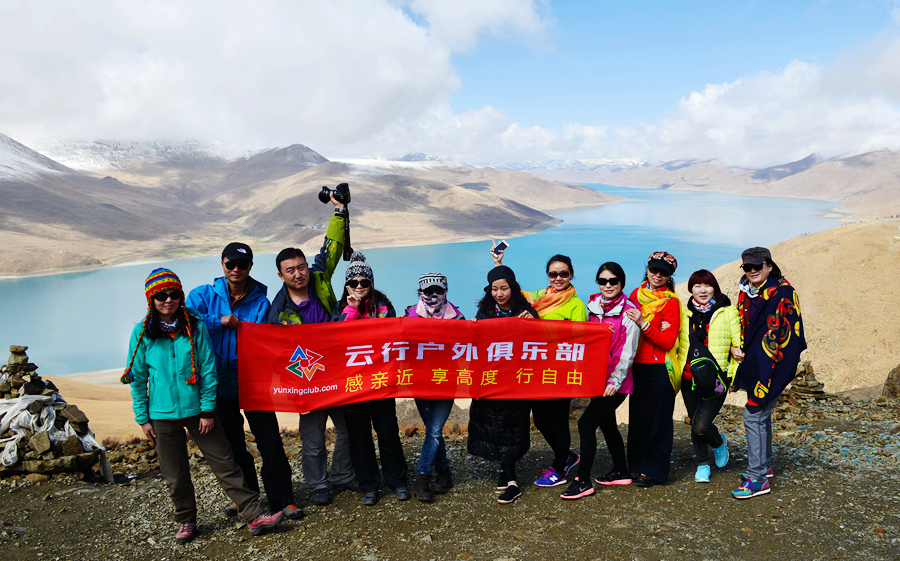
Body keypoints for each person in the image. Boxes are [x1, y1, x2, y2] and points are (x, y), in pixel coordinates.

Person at [123, 268, 284, 542]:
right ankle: (186, 521)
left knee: (225, 464)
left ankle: (254, 515)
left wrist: (208, 410)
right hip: (161, 416)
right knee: (175, 473)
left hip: (199, 411)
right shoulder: (142, 333)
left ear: (181, 296)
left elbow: (208, 370)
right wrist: (143, 417)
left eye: (174, 294)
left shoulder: (194, 326)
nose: (168, 300)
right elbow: (137, 379)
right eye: (161, 296)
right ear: (151, 299)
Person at [186, 243, 301, 519]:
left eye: (242, 264)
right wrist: (219, 321)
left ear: (250, 267)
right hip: (216, 382)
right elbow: (187, 321)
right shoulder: (201, 295)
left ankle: (282, 499)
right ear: (222, 265)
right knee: (234, 444)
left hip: (252, 380)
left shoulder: (261, 302)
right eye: (230, 264)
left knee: (269, 441)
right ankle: (247, 499)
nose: (236, 269)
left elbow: (266, 339)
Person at [265, 195, 358, 506]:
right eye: (290, 270)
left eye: (301, 266)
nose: (298, 274)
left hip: (337, 370)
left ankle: (343, 475)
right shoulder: (277, 311)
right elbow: (275, 352)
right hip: (307, 379)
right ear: (281, 275)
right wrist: (290, 388)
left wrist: (339, 212)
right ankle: (318, 485)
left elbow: (331, 248)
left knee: (347, 430)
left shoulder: (320, 280)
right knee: (313, 439)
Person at [493, 246, 584, 487]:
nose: (558, 279)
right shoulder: (537, 296)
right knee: (542, 420)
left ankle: (559, 467)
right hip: (536, 371)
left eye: (563, 274)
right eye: (553, 274)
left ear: (571, 275)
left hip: (560, 370)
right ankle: (567, 456)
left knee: (558, 420)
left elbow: (577, 339)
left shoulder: (576, 305)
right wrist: (499, 265)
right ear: (547, 275)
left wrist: (538, 325)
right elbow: (510, 291)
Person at [333, 252, 410, 506]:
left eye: (363, 282)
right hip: (353, 386)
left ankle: (398, 481)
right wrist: (352, 309)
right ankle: (369, 485)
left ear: (371, 283)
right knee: (359, 436)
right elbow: (338, 339)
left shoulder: (385, 307)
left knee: (388, 433)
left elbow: (397, 338)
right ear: (346, 285)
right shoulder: (340, 309)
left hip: (380, 383)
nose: (358, 287)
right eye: (353, 282)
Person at [731, 247, 806, 499]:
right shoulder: (746, 291)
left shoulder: (783, 292)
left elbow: (793, 337)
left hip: (774, 366)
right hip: (755, 365)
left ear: (769, 266)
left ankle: (757, 478)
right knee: (761, 416)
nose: (752, 271)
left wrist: (777, 371)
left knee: (753, 416)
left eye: (757, 266)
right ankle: (764, 467)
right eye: (747, 267)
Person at [561, 262, 640, 499]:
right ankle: (621, 470)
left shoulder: (629, 312)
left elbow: (626, 353)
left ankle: (582, 480)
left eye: (613, 281)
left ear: (621, 283)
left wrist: (614, 382)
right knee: (607, 425)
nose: (608, 285)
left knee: (585, 424)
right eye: (603, 280)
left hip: (615, 384)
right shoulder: (593, 306)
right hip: (596, 379)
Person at [468, 264, 537, 504]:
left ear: (513, 289)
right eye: (495, 289)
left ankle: (512, 481)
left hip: (516, 382)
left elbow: (540, 344)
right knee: (493, 425)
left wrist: (533, 323)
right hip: (491, 381)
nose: (499, 294)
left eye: (504, 288)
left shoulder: (526, 312)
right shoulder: (484, 313)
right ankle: (506, 473)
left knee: (511, 426)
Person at [675, 269, 741, 484]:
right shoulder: (684, 314)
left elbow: (737, 346)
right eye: (697, 286)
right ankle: (703, 464)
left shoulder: (728, 311)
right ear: (690, 289)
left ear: (715, 287)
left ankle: (719, 442)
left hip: (716, 378)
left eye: (707, 285)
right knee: (694, 421)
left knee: (701, 426)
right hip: (689, 377)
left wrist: (733, 377)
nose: (702, 290)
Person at [624, 251, 684, 488]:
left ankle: (655, 471)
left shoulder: (671, 302)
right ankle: (635, 467)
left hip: (661, 368)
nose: (657, 275)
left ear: (670, 276)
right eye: (654, 270)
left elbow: (668, 342)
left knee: (659, 420)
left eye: (664, 272)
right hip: (636, 366)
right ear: (647, 269)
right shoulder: (634, 295)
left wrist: (644, 323)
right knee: (638, 419)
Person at [404, 272, 464, 502]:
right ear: (420, 292)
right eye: (428, 291)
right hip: (419, 382)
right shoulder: (409, 316)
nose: (433, 295)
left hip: (446, 382)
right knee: (433, 430)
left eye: (438, 290)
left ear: (446, 290)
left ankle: (422, 479)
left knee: (434, 431)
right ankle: (445, 474)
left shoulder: (458, 318)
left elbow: (471, 346)